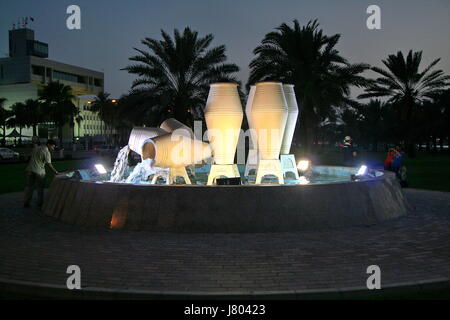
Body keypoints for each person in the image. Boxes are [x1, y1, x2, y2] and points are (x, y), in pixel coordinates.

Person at [23, 139, 59, 208]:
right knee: (40, 188)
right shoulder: (46, 151)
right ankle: (40, 203)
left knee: (29, 187)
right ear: (48, 145)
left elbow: (31, 157)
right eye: (53, 147)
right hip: (39, 172)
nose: (53, 148)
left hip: (30, 170)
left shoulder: (36, 148)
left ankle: (26, 202)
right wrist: (55, 172)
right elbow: (49, 164)